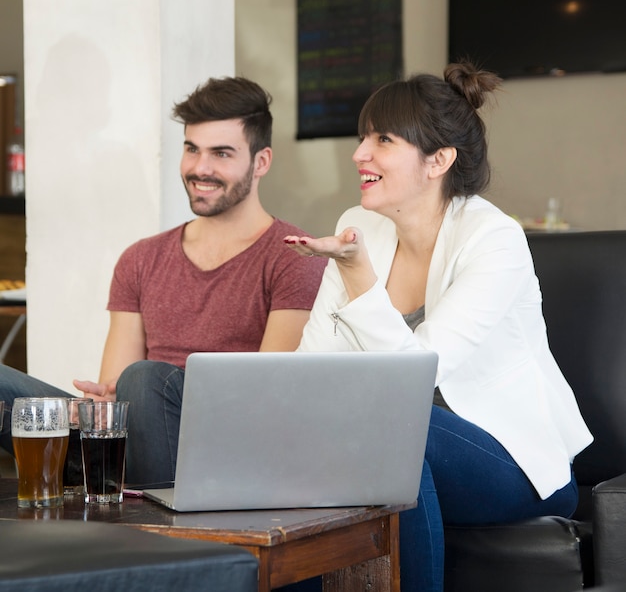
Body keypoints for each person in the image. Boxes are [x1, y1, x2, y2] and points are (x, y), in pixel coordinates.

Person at [284, 61, 593, 591]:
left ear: (439, 160)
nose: (359, 154)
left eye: (382, 139)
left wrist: (357, 275)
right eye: (363, 137)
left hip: (514, 461)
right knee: (325, 451)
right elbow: (314, 367)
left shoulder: (494, 239)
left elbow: (411, 380)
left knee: (401, 425)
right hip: (396, 447)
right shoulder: (360, 229)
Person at [0, 76, 327, 484]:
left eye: (221, 153)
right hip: (128, 445)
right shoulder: (141, 259)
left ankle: (147, 518)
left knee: (145, 376)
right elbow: (118, 392)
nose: (200, 168)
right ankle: (119, 489)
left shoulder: (295, 255)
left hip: (222, 454)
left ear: (261, 162)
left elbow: (265, 397)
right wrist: (100, 404)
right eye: (192, 149)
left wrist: (148, 390)